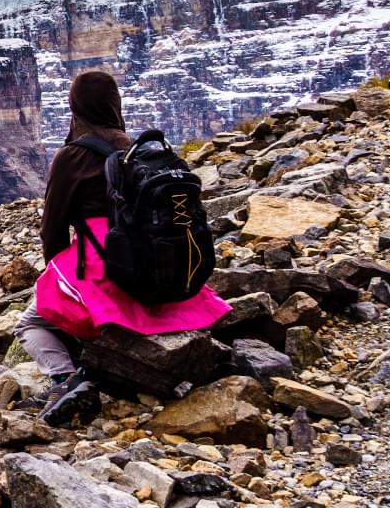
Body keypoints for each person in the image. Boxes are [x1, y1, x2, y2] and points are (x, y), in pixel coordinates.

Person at [14, 70, 230, 427]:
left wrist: (62, 284)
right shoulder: (136, 149)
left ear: (76, 107)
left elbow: (52, 231)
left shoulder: (72, 156)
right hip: (156, 262)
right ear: (115, 104)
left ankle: (65, 379)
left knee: (31, 322)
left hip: (102, 265)